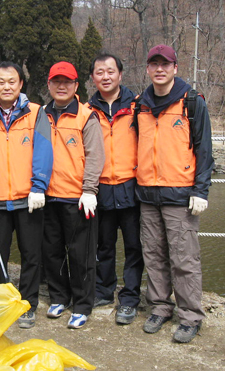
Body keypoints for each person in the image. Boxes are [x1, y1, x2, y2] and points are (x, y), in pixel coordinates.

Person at [136, 44, 214, 343]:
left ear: (175, 68)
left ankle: (190, 316)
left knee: (184, 259)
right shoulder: (140, 105)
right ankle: (159, 306)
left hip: (180, 194)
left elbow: (205, 151)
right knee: (153, 255)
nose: (159, 69)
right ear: (147, 69)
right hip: (147, 194)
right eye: (154, 64)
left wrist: (201, 190)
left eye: (165, 64)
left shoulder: (191, 102)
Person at [0, 61, 53, 329]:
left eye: (12, 81)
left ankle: (27, 304)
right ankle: (0, 304)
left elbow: (43, 151)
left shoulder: (36, 113)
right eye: (1, 82)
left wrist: (38, 186)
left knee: (31, 255)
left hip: (28, 199)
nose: (7, 86)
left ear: (20, 84)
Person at [42, 61, 105, 329]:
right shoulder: (40, 115)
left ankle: (82, 304)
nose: (61, 86)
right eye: (56, 81)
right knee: (52, 252)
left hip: (77, 197)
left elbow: (95, 156)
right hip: (46, 196)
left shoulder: (85, 116)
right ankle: (59, 296)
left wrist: (89, 190)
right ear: (49, 84)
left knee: (81, 255)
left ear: (76, 85)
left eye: (67, 81)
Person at [88, 54, 144, 325]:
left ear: (121, 75)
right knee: (103, 245)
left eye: (111, 71)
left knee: (134, 247)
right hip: (100, 189)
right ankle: (103, 290)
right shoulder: (87, 110)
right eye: (100, 72)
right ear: (93, 78)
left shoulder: (138, 106)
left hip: (131, 188)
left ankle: (130, 297)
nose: (106, 76)